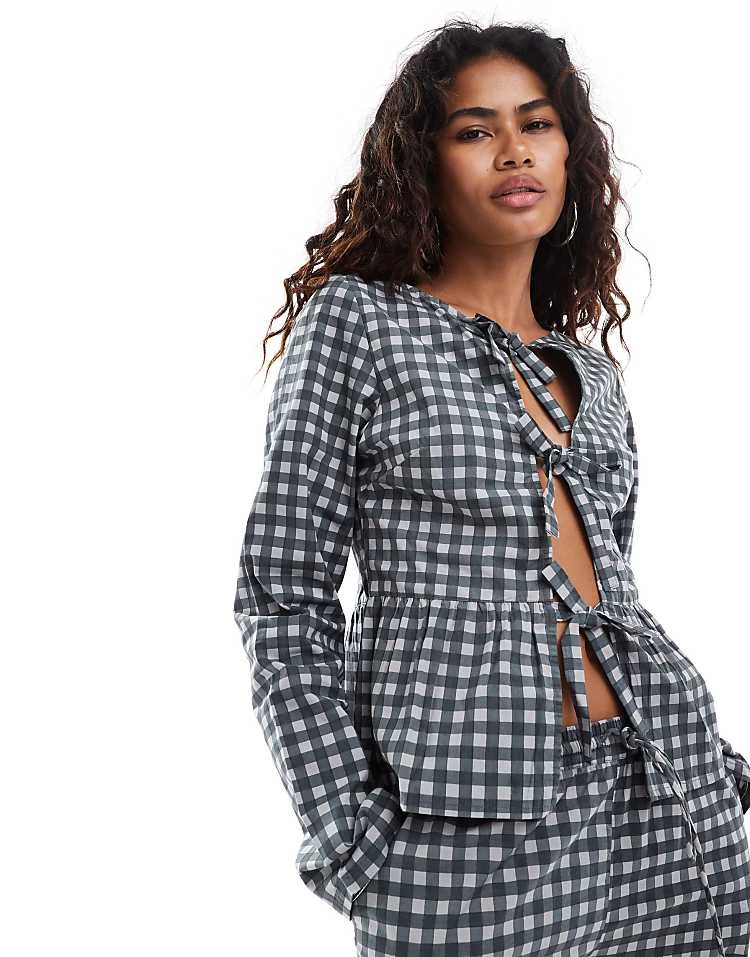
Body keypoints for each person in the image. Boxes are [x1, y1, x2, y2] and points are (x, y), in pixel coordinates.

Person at [233, 19, 750, 955]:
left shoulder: (588, 372)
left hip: (665, 806)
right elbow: (282, 599)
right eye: (475, 130)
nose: (514, 151)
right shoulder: (360, 325)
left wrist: (716, 765)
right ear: (421, 165)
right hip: (465, 832)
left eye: (536, 124)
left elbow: (613, 594)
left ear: (571, 152)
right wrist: (350, 837)